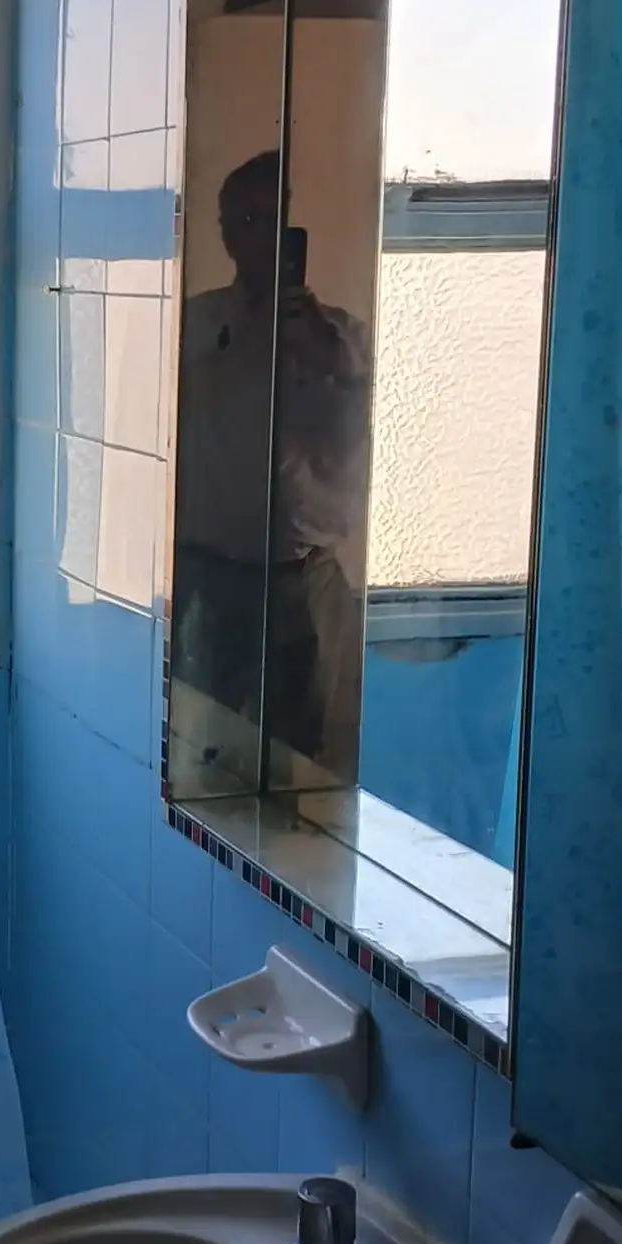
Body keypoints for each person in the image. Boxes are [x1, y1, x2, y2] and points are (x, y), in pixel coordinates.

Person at [174, 147, 370, 776]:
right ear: (226, 233)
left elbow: (364, 427)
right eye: (247, 220)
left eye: (274, 220)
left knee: (304, 762)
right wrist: (253, 343)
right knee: (199, 753)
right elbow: (181, 407)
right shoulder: (194, 323)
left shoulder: (343, 335)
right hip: (212, 576)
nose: (262, 237)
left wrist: (326, 356)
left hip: (308, 581)